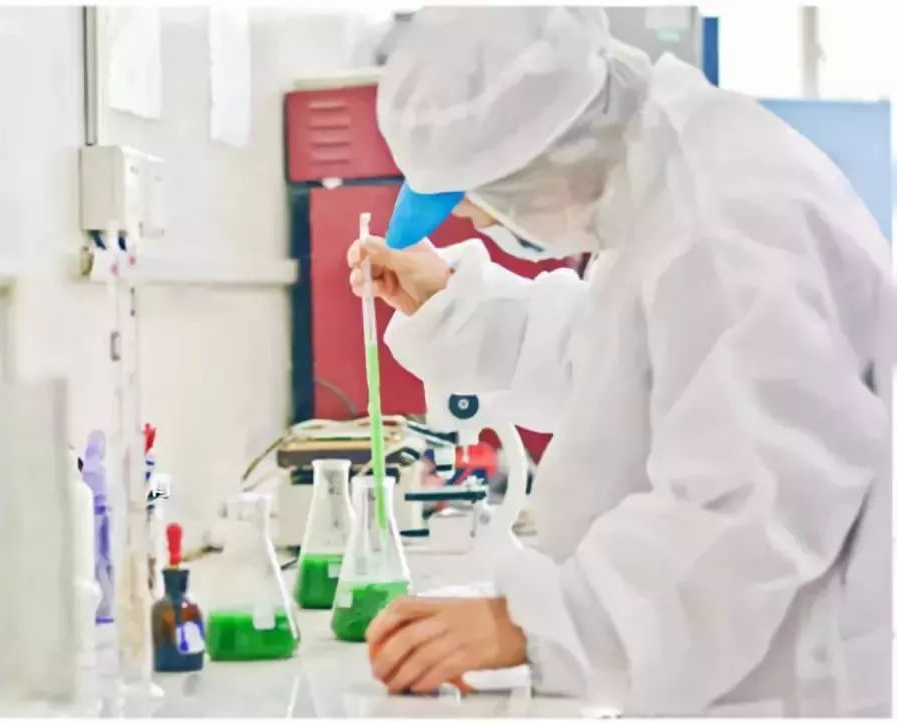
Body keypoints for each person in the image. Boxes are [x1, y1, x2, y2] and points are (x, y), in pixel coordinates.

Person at [348, 7, 893, 717]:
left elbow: (750, 504)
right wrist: (459, 306)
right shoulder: (668, 170)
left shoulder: (722, 215)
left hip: (799, 684)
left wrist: (535, 622)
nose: (475, 219)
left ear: (547, 154)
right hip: (746, 668)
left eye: (481, 195)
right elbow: (634, 376)